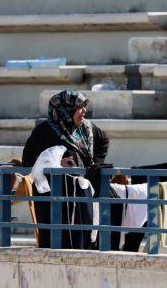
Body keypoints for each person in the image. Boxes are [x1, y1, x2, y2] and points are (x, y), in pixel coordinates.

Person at [22, 89, 109, 249]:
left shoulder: (86, 129)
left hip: (81, 192)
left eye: (84, 106)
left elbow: (103, 140)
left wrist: (94, 164)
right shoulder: (44, 131)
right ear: (65, 110)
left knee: (84, 234)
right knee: (57, 239)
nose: (84, 111)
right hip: (54, 196)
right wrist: (55, 163)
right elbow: (28, 161)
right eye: (79, 107)